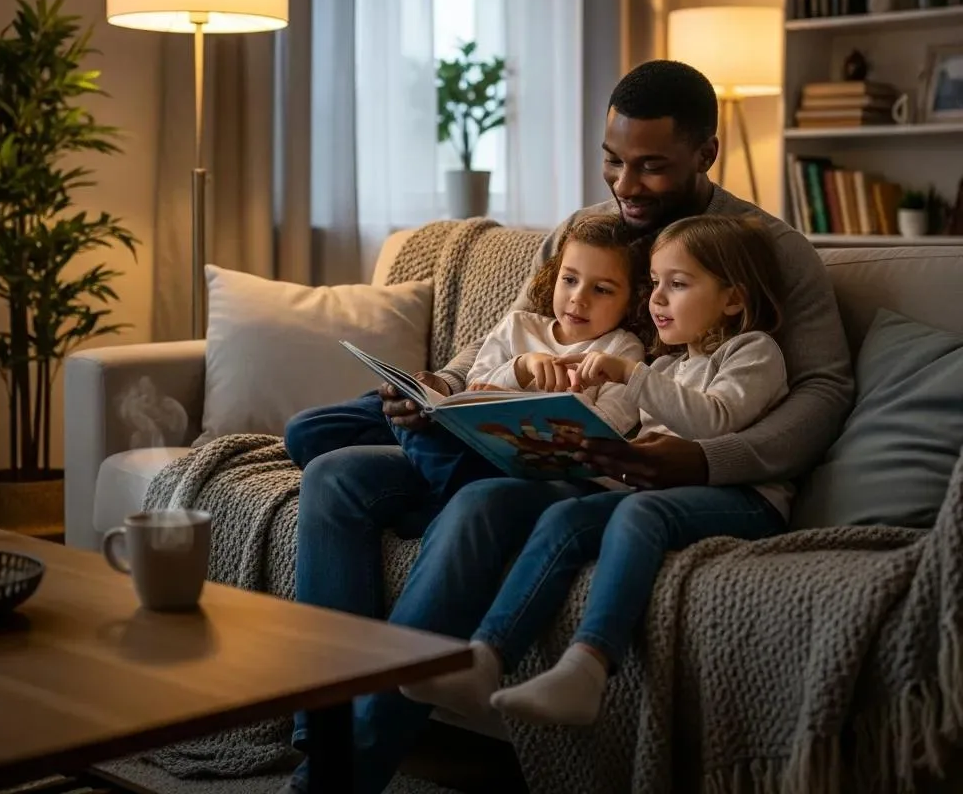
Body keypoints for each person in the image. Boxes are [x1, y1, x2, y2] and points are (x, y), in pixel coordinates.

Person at [283, 60, 854, 793]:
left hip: (603, 463)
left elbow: (824, 392)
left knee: (477, 502)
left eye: (651, 168)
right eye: (613, 162)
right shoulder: (588, 231)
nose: (625, 185)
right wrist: (441, 387)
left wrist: (703, 461)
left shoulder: (759, 246)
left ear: (706, 155)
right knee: (333, 472)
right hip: (516, 432)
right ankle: (321, 728)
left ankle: (338, 777)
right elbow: (515, 334)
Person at [400, 214, 789, 727]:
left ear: (733, 299)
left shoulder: (752, 351)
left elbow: (714, 418)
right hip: (662, 490)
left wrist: (631, 374)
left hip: (743, 497)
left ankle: (587, 669)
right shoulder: (669, 366)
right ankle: (486, 660)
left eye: (677, 285)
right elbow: (643, 440)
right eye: (655, 285)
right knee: (566, 519)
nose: (657, 300)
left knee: (640, 516)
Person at [286, 214, 648, 502]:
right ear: (553, 277)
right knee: (308, 431)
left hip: (511, 462)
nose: (578, 298)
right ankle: (431, 480)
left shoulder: (621, 351)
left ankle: (447, 490)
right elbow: (476, 384)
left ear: (631, 300)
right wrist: (520, 369)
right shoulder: (519, 326)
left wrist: (563, 401)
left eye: (601, 290)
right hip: (465, 435)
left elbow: (608, 429)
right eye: (570, 280)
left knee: (418, 432)